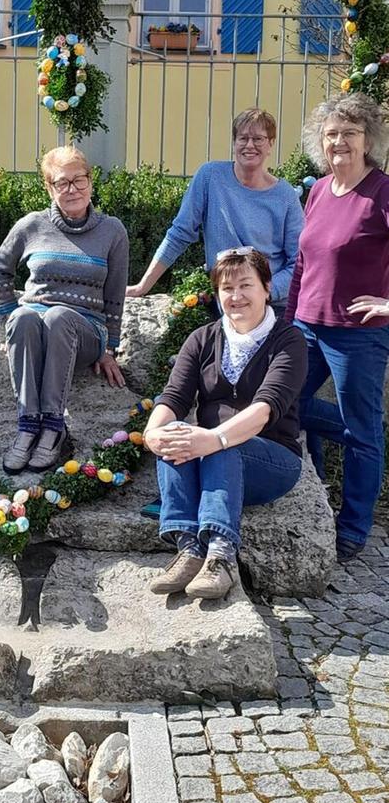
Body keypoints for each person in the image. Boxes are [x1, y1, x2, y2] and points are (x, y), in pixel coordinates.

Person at [144, 248, 307, 601]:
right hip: (213, 457)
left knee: (223, 444)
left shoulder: (288, 340)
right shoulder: (202, 338)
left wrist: (215, 438)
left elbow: (266, 408)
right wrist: (154, 433)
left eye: (245, 285)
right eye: (226, 288)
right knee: (173, 436)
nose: (236, 296)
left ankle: (221, 553)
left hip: (273, 459)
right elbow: (173, 398)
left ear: (267, 287)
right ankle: (188, 548)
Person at [286, 91, 389, 562]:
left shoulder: (383, 192)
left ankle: (352, 528)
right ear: (319, 143)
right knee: (281, 405)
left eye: (350, 133)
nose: (340, 142)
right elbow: (304, 264)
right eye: (331, 134)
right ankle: (355, 436)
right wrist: (285, 326)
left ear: (368, 139)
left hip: (358, 335)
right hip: (306, 326)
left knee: (362, 433)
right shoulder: (319, 191)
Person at [0, 145, 129, 474]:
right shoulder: (31, 226)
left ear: (91, 182)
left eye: (78, 180)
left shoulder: (112, 231)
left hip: (85, 332)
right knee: (25, 316)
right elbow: (0, 268)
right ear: (49, 188)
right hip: (35, 327)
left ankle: (53, 426)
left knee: (59, 316)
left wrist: (110, 347)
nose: (72, 190)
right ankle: (27, 426)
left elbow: (115, 293)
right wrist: (8, 310)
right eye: (62, 183)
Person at [126, 108, 303, 312]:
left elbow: (298, 262)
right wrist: (143, 286)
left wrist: (262, 292)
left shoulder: (285, 196)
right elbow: (179, 234)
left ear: (271, 144)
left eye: (258, 139)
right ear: (234, 143)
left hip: (271, 304)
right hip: (225, 299)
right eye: (243, 138)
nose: (250, 145)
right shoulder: (210, 176)